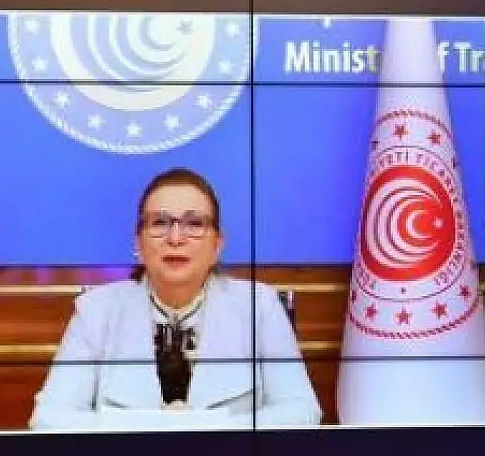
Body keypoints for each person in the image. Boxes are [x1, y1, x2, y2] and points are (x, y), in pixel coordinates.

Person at [28, 168, 323, 431]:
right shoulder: (97, 310)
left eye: (194, 224)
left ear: (217, 246)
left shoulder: (259, 306)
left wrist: (202, 427)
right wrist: (155, 427)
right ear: (138, 243)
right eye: (160, 223)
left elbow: (302, 411)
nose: (176, 238)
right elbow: (49, 418)